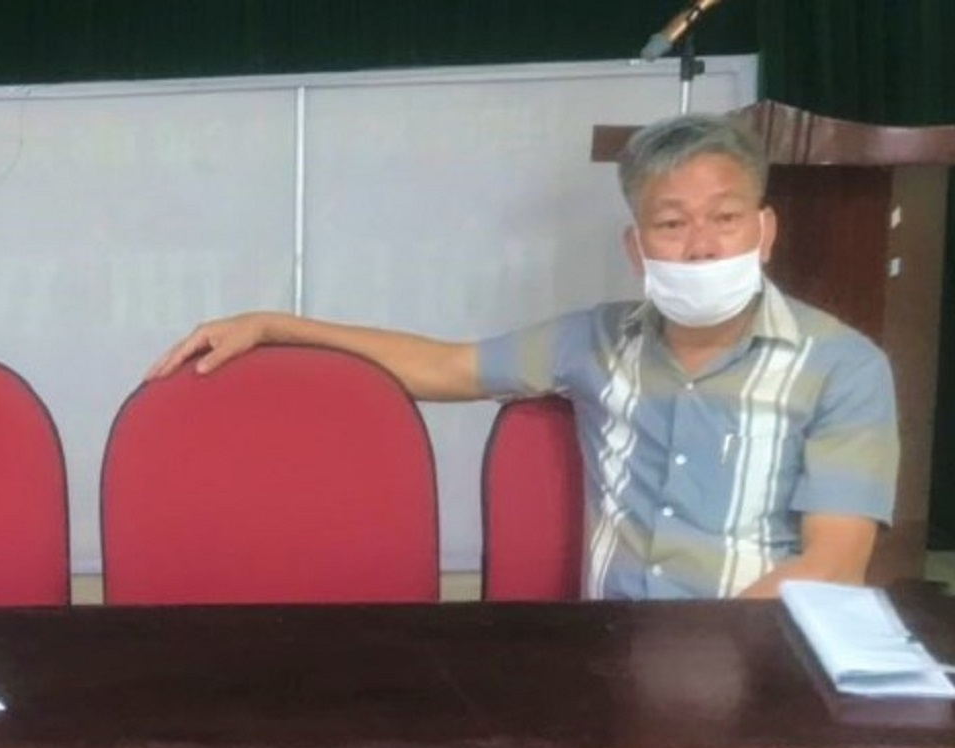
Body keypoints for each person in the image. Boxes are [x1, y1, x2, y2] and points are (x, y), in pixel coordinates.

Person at [150, 113, 900, 601]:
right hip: (608, 656)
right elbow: (444, 367)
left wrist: (715, 660)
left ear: (765, 232)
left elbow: (832, 566)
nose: (701, 245)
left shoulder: (843, 367)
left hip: (765, 659)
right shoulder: (595, 341)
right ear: (637, 248)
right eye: (672, 224)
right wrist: (276, 325)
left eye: (725, 218)